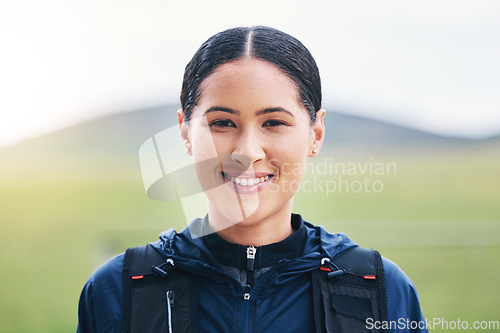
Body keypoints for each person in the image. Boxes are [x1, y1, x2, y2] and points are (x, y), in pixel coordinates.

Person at [77, 26, 428, 333]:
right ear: (185, 133)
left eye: (274, 122)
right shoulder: (118, 290)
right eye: (222, 123)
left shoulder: (378, 289)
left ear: (315, 134)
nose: (246, 151)